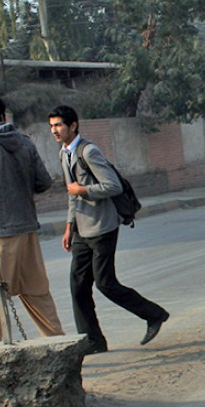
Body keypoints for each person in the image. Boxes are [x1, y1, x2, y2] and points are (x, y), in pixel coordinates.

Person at [49, 105, 169, 353]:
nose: (54, 130)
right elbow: (72, 196)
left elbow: (112, 185)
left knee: (105, 283)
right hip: (82, 229)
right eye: (51, 126)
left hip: (103, 227)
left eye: (59, 125)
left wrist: (83, 190)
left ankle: (154, 314)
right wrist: (69, 227)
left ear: (73, 125)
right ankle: (93, 341)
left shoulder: (89, 151)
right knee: (78, 286)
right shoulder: (64, 153)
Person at [0, 94, 64, 344]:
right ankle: (59, 343)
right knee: (38, 293)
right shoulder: (24, 141)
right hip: (28, 231)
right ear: (3, 115)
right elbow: (43, 182)